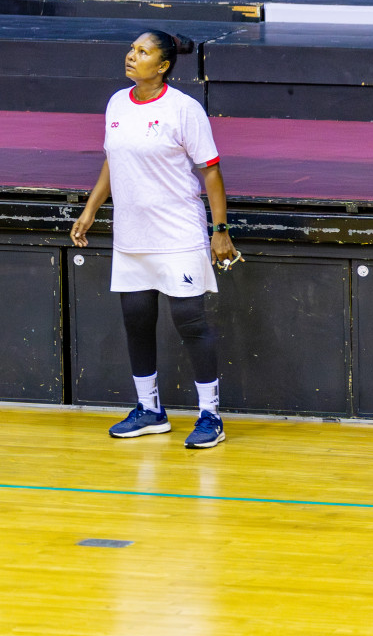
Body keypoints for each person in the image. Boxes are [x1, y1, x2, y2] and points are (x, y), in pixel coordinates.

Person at [70, 30, 238, 450]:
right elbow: (113, 159)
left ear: (162, 65)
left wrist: (220, 232)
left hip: (177, 233)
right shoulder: (116, 103)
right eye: (131, 49)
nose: (131, 56)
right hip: (131, 236)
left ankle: (210, 415)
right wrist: (91, 210)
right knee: (137, 321)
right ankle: (150, 411)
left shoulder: (185, 110)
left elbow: (211, 172)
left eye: (142, 52)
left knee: (191, 322)